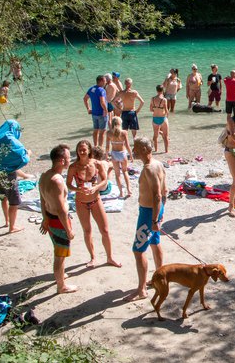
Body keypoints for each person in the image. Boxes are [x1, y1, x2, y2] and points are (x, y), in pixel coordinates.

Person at [125, 136, 168, 302]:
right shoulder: (158, 164)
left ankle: (141, 289)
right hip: (155, 211)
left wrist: (155, 219)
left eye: (135, 147)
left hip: (148, 214)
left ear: (144, 150)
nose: (133, 150)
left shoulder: (149, 168)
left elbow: (157, 195)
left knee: (138, 250)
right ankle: (160, 277)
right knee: (155, 243)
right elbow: (165, 192)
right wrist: (161, 212)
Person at [67, 140, 121, 268]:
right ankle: (93, 258)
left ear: (89, 150)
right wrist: (78, 189)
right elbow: (68, 184)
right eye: (79, 149)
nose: (82, 151)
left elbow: (105, 180)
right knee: (87, 231)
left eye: (84, 149)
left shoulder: (96, 164)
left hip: (96, 200)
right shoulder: (73, 167)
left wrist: (95, 187)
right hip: (80, 202)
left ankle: (110, 257)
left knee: (105, 230)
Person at [39, 144, 78, 294]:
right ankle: (61, 286)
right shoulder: (58, 181)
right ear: (62, 160)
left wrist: (44, 218)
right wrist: (69, 230)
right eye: (69, 157)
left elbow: (42, 200)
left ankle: (60, 275)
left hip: (50, 218)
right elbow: (62, 210)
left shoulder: (44, 176)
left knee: (58, 249)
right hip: (59, 221)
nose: (70, 160)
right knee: (60, 255)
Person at [0, 120, 30, 234]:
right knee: (14, 202)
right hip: (8, 175)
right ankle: (12, 227)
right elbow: (22, 157)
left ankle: (7, 221)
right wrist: (28, 154)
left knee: (3, 197)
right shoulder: (11, 139)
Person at [106, 116, 133, 198]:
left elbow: (107, 147)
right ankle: (129, 191)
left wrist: (106, 155)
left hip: (114, 154)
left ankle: (121, 192)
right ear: (120, 123)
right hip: (122, 154)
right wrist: (131, 155)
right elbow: (127, 146)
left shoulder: (109, 133)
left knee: (117, 174)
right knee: (125, 172)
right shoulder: (124, 132)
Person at [83, 75, 108, 148]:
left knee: (95, 130)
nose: (106, 82)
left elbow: (85, 99)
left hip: (94, 114)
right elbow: (102, 102)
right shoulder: (101, 90)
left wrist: (88, 108)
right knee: (102, 132)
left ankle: (95, 146)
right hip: (101, 114)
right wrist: (106, 110)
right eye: (104, 80)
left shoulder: (91, 89)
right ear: (101, 81)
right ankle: (100, 148)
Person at [150, 85, 170, 153]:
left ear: (156, 90)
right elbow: (167, 110)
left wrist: (156, 110)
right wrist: (167, 116)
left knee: (155, 136)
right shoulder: (164, 100)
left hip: (155, 118)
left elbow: (150, 109)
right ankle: (166, 151)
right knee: (165, 136)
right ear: (162, 90)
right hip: (163, 118)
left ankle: (155, 150)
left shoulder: (152, 99)